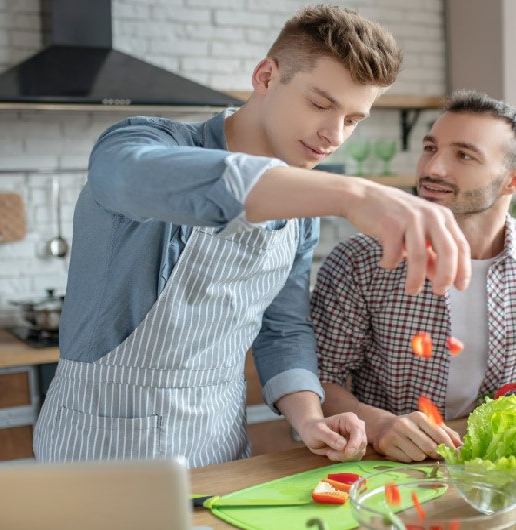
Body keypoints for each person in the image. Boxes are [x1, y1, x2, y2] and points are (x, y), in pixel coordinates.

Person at [33, 5, 471, 469]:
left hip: (218, 447)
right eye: (321, 105)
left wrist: (309, 419)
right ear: (266, 76)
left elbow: (283, 326)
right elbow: (124, 178)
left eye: (353, 119)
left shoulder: (302, 206)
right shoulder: (143, 144)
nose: (334, 135)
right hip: (100, 446)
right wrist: (352, 193)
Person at [311, 91, 516, 463]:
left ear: (514, 180)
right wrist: (379, 425)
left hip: (503, 464)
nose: (433, 169)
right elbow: (319, 377)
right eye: (430, 148)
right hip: (386, 466)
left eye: (463, 155)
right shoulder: (361, 261)